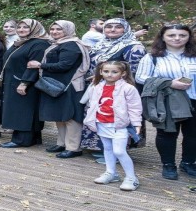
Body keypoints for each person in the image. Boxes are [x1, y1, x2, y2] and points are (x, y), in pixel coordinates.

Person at [135, 23, 196, 180]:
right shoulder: (152, 58)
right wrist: (168, 82)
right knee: (167, 133)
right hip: (167, 100)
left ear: (189, 37)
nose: (177, 38)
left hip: (194, 99)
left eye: (182, 35)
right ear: (163, 37)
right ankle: (168, 165)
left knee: (193, 134)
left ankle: (188, 162)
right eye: (171, 35)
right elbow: (140, 77)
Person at [81, 18, 147, 152]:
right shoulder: (100, 44)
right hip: (98, 88)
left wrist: (107, 77)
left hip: (119, 91)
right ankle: (100, 148)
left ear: (125, 29)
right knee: (99, 115)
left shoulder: (134, 46)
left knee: (117, 119)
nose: (112, 29)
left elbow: (134, 70)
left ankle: (119, 151)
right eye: (109, 26)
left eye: (117, 27)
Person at [29, 20, 90, 158]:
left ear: (67, 31)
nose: (55, 32)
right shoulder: (58, 44)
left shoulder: (71, 45)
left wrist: (40, 65)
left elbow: (64, 65)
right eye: (53, 29)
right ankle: (62, 143)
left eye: (59, 30)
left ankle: (73, 148)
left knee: (70, 116)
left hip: (70, 85)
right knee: (60, 116)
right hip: (58, 84)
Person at [84, 61, 142, 191]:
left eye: (114, 72)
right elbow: (92, 104)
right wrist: (90, 118)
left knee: (119, 151)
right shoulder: (96, 87)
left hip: (119, 124)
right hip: (101, 122)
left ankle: (131, 178)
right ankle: (111, 173)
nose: (109, 75)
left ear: (123, 73)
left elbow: (135, 107)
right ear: (100, 72)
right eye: (106, 71)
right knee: (108, 148)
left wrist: (136, 123)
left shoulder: (128, 88)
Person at [0, 19, 51, 148]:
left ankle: (21, 140)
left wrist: (25, 82)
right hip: (14, 80)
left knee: (24, 110)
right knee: (20, 109)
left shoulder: (39, 44)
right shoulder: (22, 42)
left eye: (25, 27)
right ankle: (33, 138)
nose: (21, 29)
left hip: (26, 82)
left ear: (34, 29)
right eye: (19, 27)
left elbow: (34, 65)